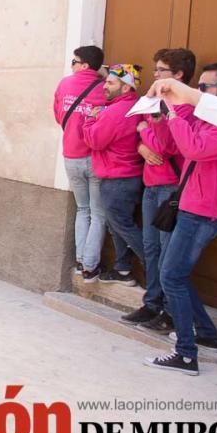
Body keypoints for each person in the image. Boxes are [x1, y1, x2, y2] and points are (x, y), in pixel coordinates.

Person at [144, 63, 217, 375]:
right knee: (175, 273)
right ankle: (204, 333)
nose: (195, 93)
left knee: (171, 276)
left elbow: (194, 148)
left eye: (201, 88)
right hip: (192, 207)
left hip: (203, 213)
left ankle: (186, 354)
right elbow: (175, 143)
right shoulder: (207, 118)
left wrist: (176, 116)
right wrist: (165, 109)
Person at [123, 49, 195, 329]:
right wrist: (141, 143)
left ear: (178, 76)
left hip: (169, 186)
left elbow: (167, 146)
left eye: (161, 71)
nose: (155, 76)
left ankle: (168, 310)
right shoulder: (154, 105)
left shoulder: (184, 108)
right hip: (151, 183)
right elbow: (138, 135)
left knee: (166, 251)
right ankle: (151, 303)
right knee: (151, 248)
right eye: (155, 70)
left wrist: (145, 131)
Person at [82, 63, 145, 283]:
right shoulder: (132, 106)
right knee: (118, 224)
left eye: (110, 82)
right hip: (127, 176)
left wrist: (90, 120)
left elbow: (95, 141)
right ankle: (123, 268)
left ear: (126, 87)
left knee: (122, 225)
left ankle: (154, 265)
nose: (104, 86)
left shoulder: (117, 111)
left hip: (117, 178)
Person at [52, 46, 107, 277]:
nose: (72, 65)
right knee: (98, 213)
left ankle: (80, 259)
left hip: (71, 156)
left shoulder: (65, 84)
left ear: (84, 65)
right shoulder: (105, 87)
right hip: (95, 157)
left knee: (82, 209)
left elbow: (57, 115)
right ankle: (90, 266)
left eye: (75, 61)